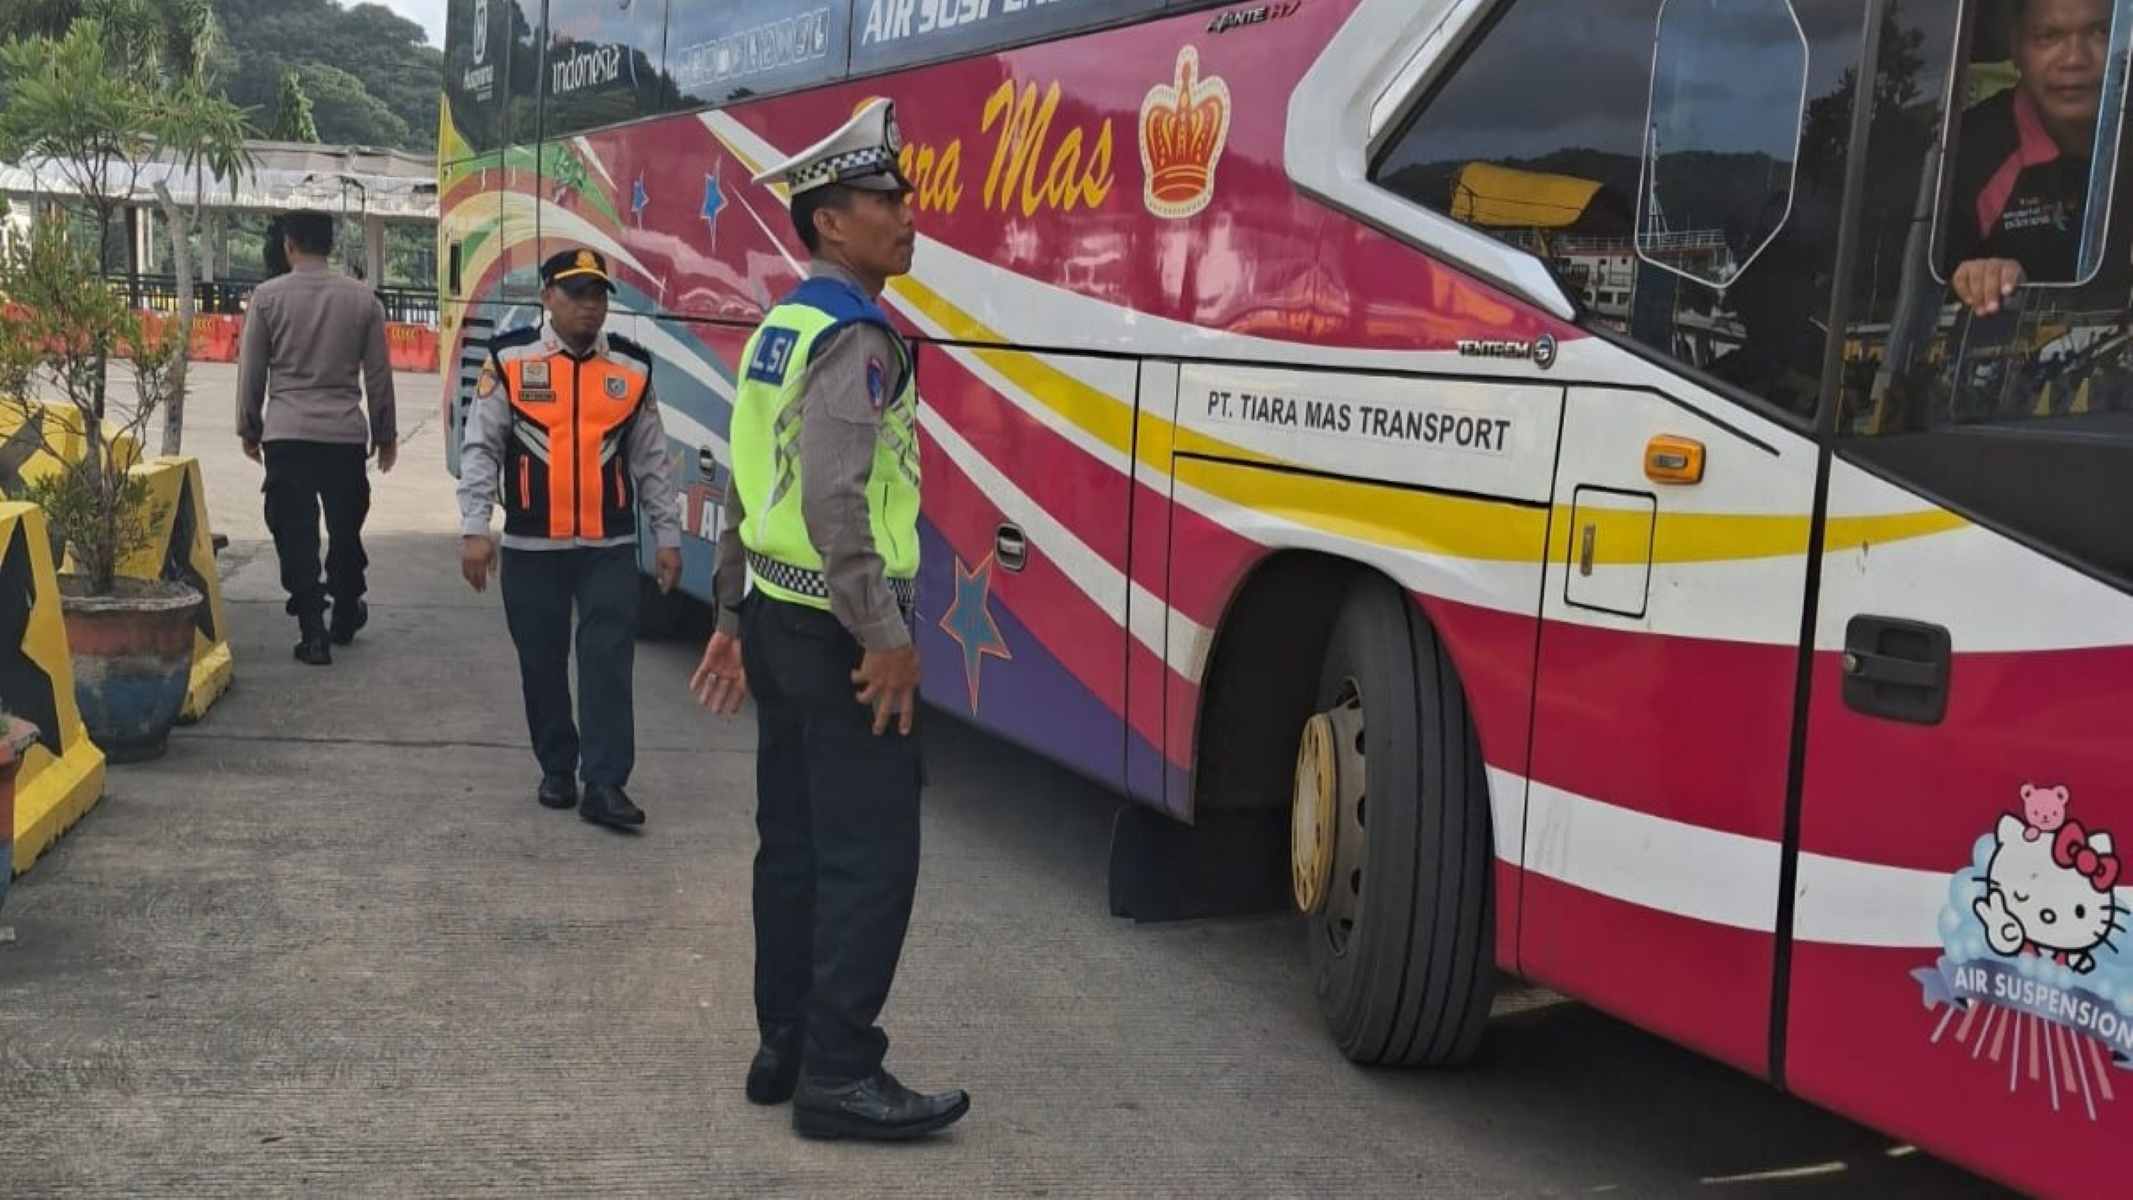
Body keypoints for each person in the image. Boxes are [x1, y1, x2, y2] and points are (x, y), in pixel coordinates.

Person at [689, 98, 968, 1141]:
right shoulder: (856, 336)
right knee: (871, 858)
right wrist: (886, 637)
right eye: (884, 199)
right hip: (843, 638)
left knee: (795, 846)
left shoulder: (781, 327)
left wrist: (730, 610)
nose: (908, 213)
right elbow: (835, 500)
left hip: (776, 619)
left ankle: (787, 1045)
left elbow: (744, 480)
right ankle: (841, 1073)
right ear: (831, 223)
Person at [457, 248, 681, 830]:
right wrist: (475, 528)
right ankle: (557, 767)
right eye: (577, 293)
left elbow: (652, 461)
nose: (590, 305)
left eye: (599, 294)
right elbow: (481, 449)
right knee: (542, 663)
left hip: (608, 548)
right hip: (532, 548)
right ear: (547, 297)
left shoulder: (631, 368)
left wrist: (667, 535)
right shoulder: (510, 360)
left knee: (608, 664)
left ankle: (604, 782)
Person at [237, 209, 396, 665]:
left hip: (286, 434)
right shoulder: (363, 300)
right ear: (330, 246)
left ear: (289, 245)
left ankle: (313, 633)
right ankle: (345, 612)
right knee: (345, 531)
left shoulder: (267, 298)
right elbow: (378, 376)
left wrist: (249, 427)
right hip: (344, 435)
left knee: (296, 532)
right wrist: (385, 434)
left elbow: (252, 372)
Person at [1947, 0, 2133, 315]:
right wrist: (1981, 280)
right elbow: (1920, 303)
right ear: (2016, 47)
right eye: (2048, 35)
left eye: (2101, 32)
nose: (2074, 59)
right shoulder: (1963, 157)